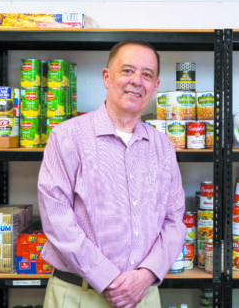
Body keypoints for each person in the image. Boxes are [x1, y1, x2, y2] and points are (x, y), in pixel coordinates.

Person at [38, 40, 186, 308]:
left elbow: (174, 220)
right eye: (127, 71)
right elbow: (56, 219)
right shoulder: (67, 137)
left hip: (143, 295)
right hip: (78, 296)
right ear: (107, 77)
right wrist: (108, 278)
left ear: (155, 86)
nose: (137, 81)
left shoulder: (163, 146)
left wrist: (146, 275)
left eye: (147, 75)